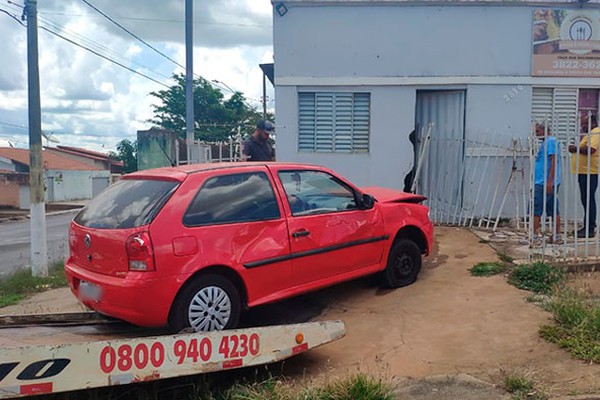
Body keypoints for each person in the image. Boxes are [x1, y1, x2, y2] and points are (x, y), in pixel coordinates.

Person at [569, 113, 600, 238]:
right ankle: (587, 226)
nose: (582, 126)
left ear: (593, 123)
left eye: (585, 123)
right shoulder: (590, 134)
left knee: (588, 200)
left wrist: (575, 149)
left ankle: (590, 228)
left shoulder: (596, 133)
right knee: (586, 200)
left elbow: (591, 150)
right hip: (584, 172)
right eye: (582, 123)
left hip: (589, 172)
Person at [533, 123, 562, 245]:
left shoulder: (550, 141)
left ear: (545, 130)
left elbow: (553, 161)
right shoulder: (547, 142)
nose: (536, 134)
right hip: (545, 181)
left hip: (544, 182)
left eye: (538, 131)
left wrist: (549, 181)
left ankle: (533, 235)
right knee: (552, 207)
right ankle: (556, 235)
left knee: (536, 207)